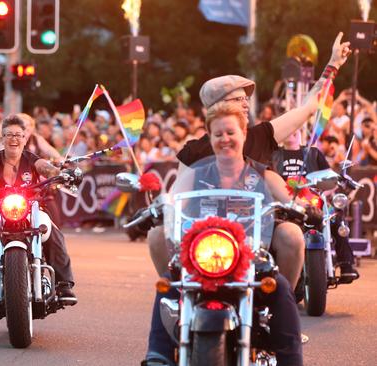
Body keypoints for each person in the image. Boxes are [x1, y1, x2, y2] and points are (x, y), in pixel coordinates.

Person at [148, 32, 351, 290]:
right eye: (238, 99)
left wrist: (332, 66)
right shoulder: (192, 152)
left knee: (291, 233)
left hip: (258, 232)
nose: (246, 104)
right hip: (207, 235)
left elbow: (308, 108)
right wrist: (164, 209)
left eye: (246, 98)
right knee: (156, 235)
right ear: (217, 108)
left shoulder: (261, 135)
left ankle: (282, 302)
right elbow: (179, 197)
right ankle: (176, 294)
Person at [144, 102, 303, 366]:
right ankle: (158, 355)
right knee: (169, 281)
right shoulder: (195, 175)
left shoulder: (263, 175)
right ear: (210, 137)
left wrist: (302, 209)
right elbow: (173, 202)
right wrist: (160, 207)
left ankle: (290, 360)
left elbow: (289, 202)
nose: (225, 139)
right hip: (203, 256)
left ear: (243, 134)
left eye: (230, 132)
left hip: (250, 258)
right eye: (218, 134)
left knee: (281, 286)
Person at [0, 114, 76, 305]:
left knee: (54, 233)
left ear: (24, 139)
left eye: (18, 135)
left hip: (30, 212)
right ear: (2, 139)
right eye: (8, 134)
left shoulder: (32, 160)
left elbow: (46, 169)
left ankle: (64, 285)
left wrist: (61, 174)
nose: (14, 138)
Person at [272, 128, 360, 282]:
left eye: (296, 128)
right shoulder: (274, 155)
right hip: (283, 207)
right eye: (289, 129)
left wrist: (324, 192)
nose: (291, 132)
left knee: (336, 218)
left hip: (313, 204)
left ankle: (346, 265)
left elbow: (330, 178)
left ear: (301, 132)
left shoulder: (313, 153)